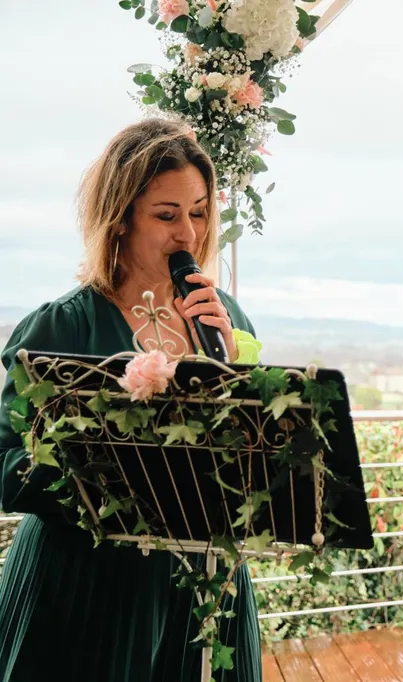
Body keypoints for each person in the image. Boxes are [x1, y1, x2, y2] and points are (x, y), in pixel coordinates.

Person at [0, 119, 263, 681]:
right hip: (87, 588)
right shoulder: (59, 328)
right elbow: (4, 466)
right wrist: (108, 467)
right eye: (166, 216)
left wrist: (230, 374)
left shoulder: (227, 320)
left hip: (205, 589)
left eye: (198, 212)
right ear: (118, 219)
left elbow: (252, 455)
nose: (188, 235)